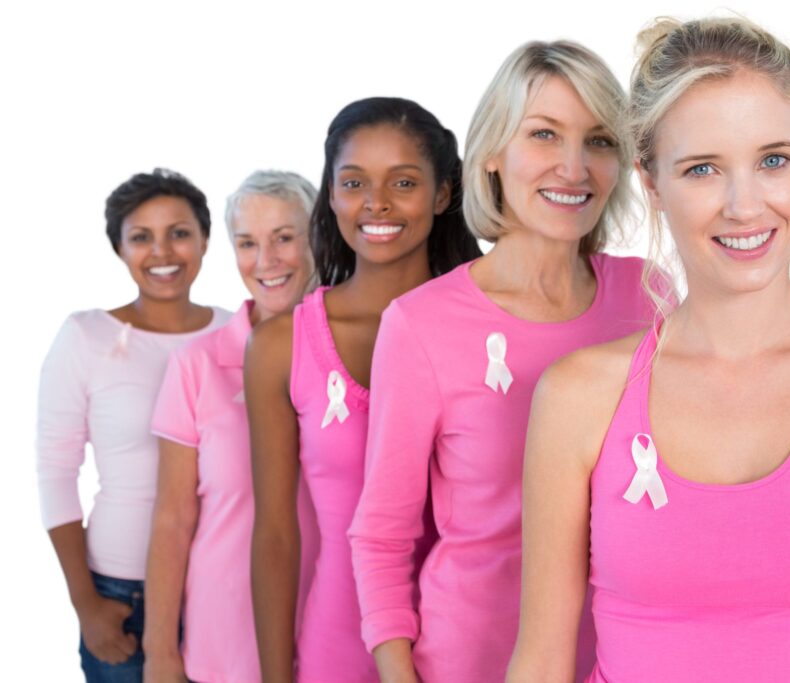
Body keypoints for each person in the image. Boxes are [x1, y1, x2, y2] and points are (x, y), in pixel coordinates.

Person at [507, 16, 790, 683]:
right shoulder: (580, 395)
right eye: (702, 169)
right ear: (652, 183)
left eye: (774, 159)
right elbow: (541, 662)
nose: (744, 206)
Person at [348, 42, 664, 683]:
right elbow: (381, 535)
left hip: (625, 659)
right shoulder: (421, 324)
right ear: (492, 153)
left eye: (599, 141)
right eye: (544, 134)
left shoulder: (649, 298)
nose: (573, 168)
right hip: (472, 662)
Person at [246, 97, 481, 683]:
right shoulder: (282, 346)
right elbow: (276, 534)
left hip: (475, 647)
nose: (376, 203)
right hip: (338, 650)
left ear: (444, 194)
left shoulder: (489, 331)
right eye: (354, 182)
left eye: (403, 181)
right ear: (330, 193)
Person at [36, 169, 231, 683]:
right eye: (141, 237)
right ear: (119, 248)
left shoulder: (241, 333)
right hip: (122, 592)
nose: (162, 251)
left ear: (206, 240)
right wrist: (86, 605)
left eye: (179, 232)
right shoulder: (86, 337)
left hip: (220, 587)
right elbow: (56, 473)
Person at [143, 170, 319, 683]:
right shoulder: (196, 365)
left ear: (319, 238)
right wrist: (160, 653)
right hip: (225, 646)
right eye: (247, 243)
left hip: (335, 636)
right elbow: (173, 518)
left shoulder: (360, 351)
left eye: (284, 238)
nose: (266, 261)